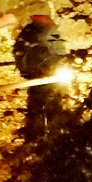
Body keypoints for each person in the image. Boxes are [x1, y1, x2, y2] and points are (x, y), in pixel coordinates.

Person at [12, 7, 66, 141]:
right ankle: (52, 137)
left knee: (36, 105)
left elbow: (18, 50)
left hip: (35, 74)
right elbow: (59, 52)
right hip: (46, 75)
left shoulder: (29, 29)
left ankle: (36, 136)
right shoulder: (48, 31)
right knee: (50, 105)